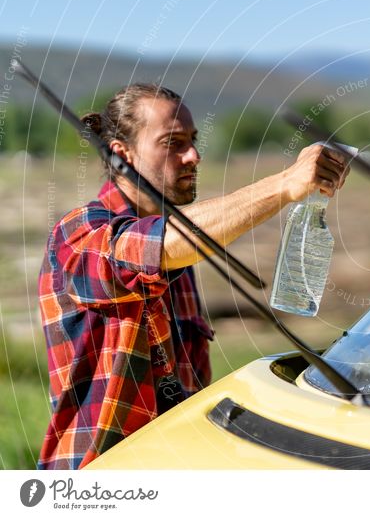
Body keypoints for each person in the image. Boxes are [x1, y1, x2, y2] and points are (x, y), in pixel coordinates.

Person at [37, 83, 348, 469]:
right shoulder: (80, 235)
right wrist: (284, 185)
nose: (194, 156)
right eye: (173, 142)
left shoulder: (178, 259)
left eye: (194, 141)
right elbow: (155, 247)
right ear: (123, 156)